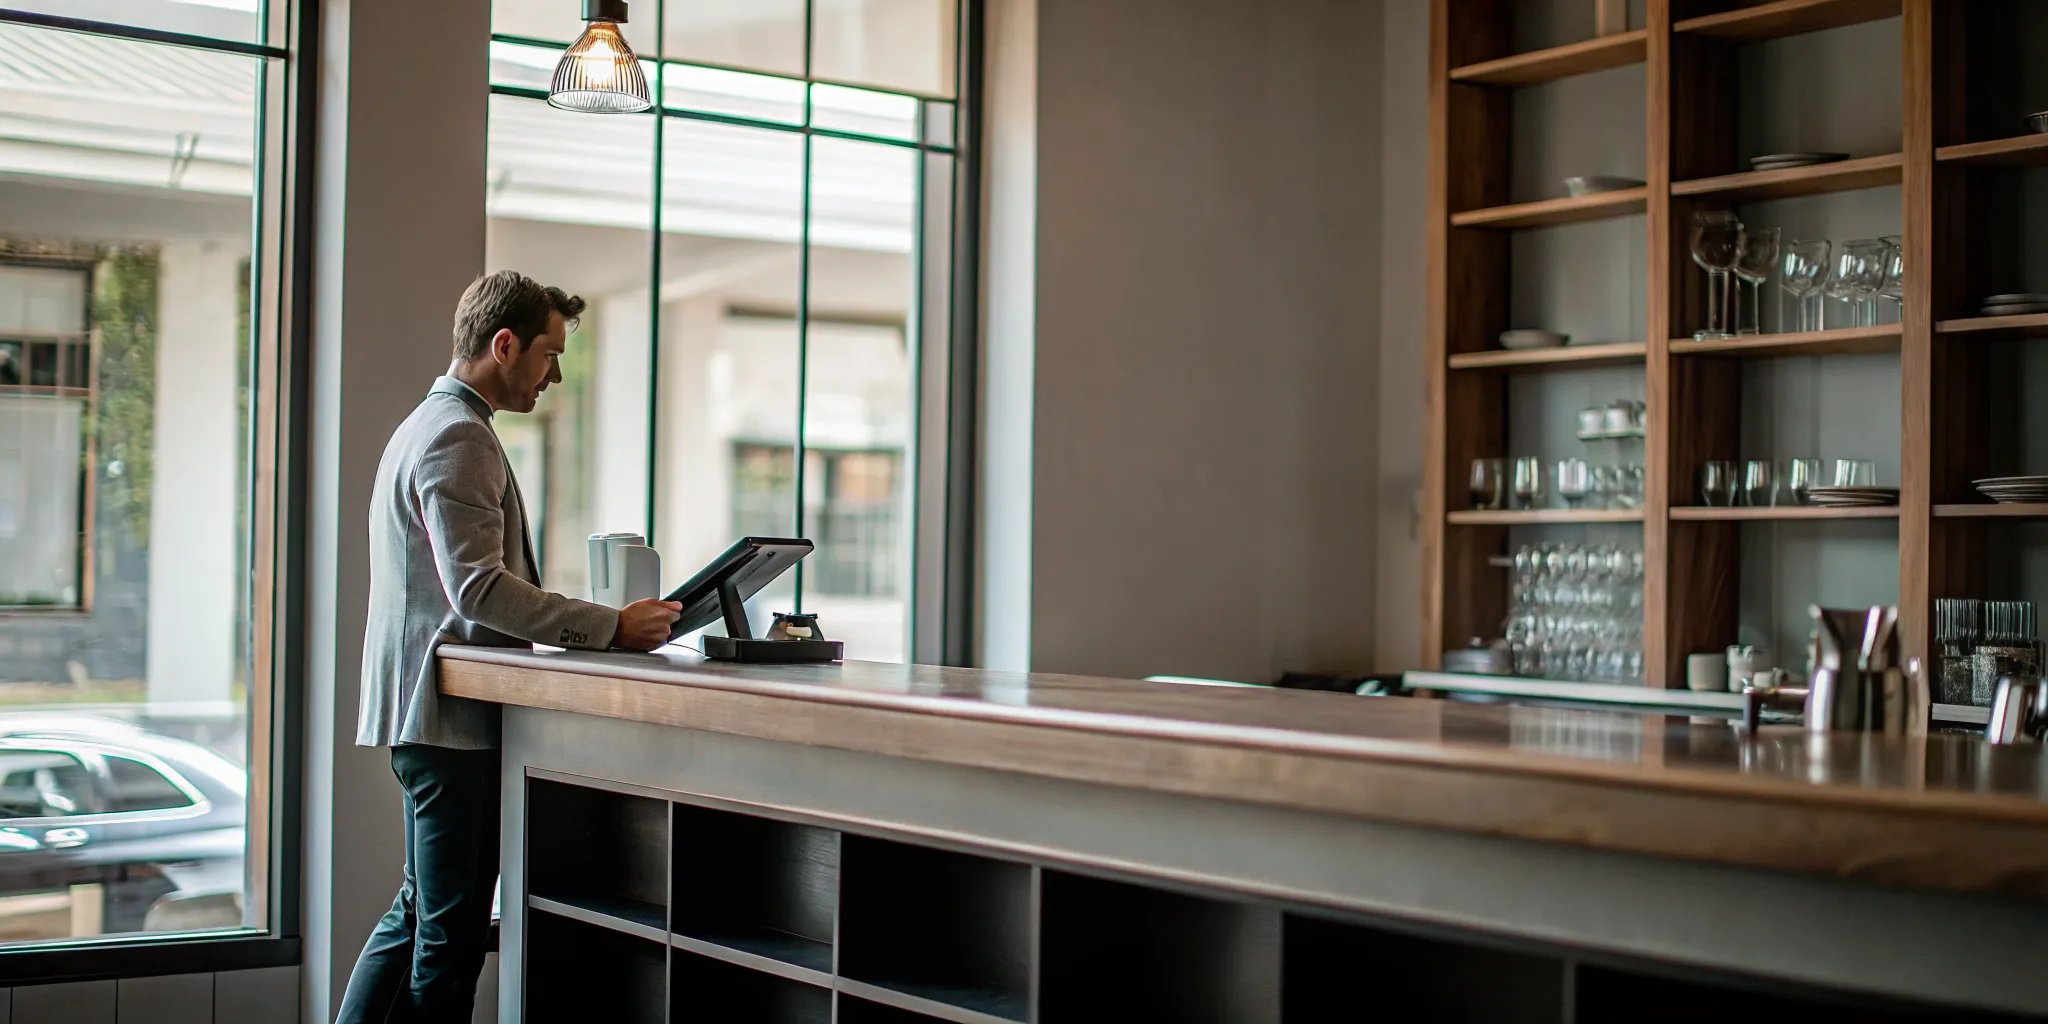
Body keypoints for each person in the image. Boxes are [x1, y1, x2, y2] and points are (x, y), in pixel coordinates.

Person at [338, 271, 681, 1022]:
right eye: (549, 354)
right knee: (449, 940)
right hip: (447, 724)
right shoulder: (459, 435)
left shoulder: (426, 425)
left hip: (427, 719)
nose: (555, 374)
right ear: (504, 344)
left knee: (420, 913)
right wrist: (609, 625)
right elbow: (479, 591)